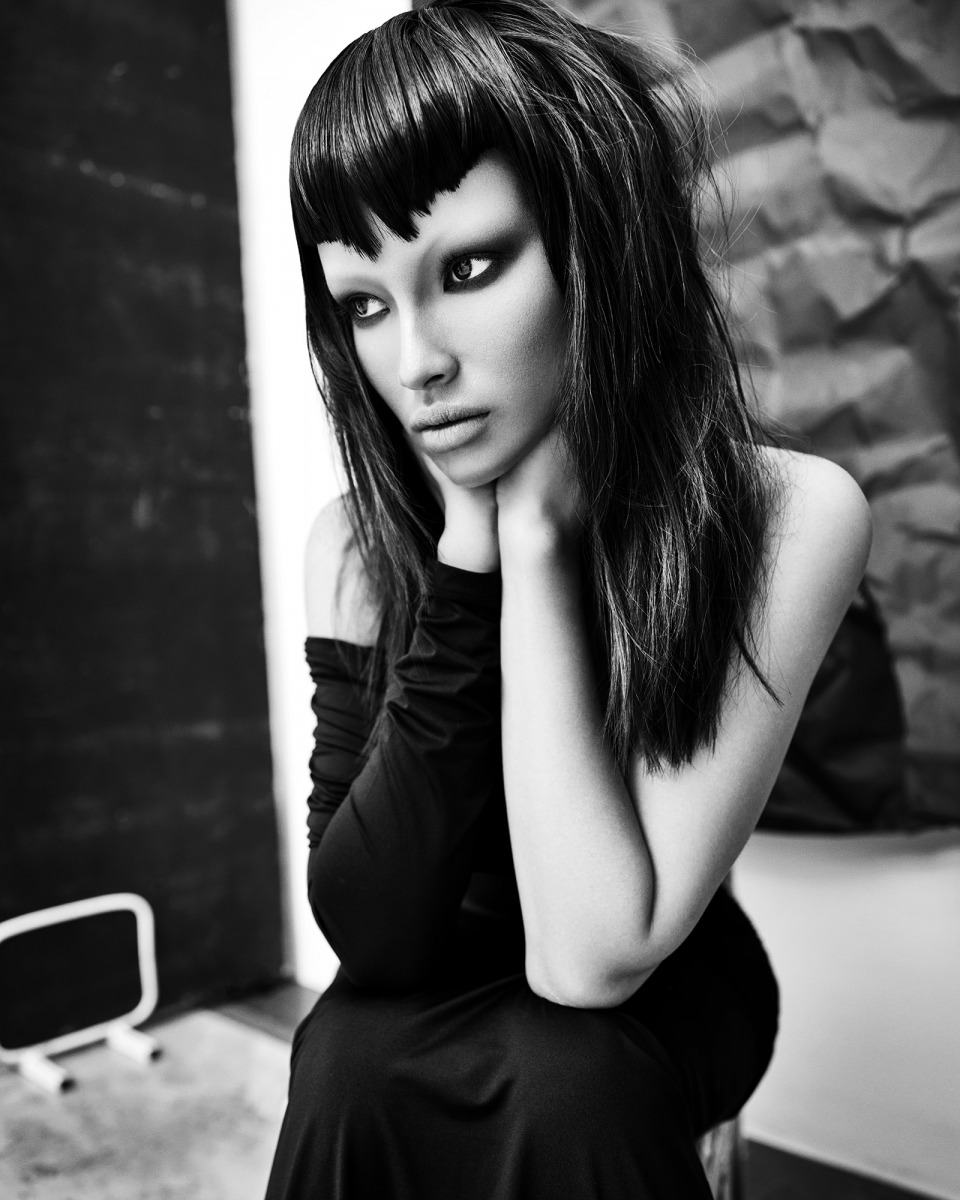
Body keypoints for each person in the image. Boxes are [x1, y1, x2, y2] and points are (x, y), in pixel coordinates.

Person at [266, 1, 872, 1195]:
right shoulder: (352, 544)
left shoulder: (792, 512)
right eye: (366, 304)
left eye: (470, 267)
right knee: (341, 1058)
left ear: (598, 242)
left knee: (572, 1074)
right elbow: (375, 938)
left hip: (663, 966)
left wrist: (540, 540)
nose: (417, 361)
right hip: (439, 960)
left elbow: (592, 959)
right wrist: (468, 556)